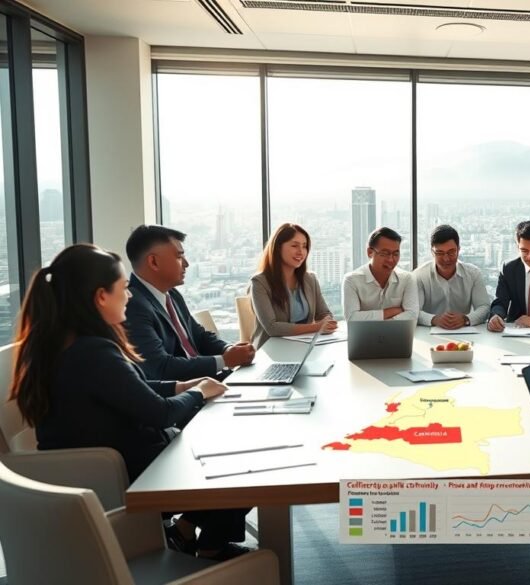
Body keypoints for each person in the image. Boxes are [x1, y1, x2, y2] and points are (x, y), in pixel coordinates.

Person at [8, 244, 251, 561]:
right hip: (129, 471)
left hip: (97, 466)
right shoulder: (94, 352)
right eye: (124, 289)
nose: (131, 296)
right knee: (243, 464)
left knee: (225, 450)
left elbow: (126, 389)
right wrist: (198, 393)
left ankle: (186, 533)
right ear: (100, 297)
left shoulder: (61, 345)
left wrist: (182, 385)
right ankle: (209, 548)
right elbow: (158, 413)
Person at [124, 225, 255, 381]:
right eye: (179, 257)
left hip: (207, 381)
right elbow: (160, 367)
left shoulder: (171, 293)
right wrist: (225, 360)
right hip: (185, 393)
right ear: (153, 262)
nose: (186, 264)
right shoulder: (132, 305)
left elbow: (198, 336)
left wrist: (229, 349)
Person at [249, 223, 338, 349]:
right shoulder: (260, 282)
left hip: (304, 347)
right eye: (294, 245)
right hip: (271, 351)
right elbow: (272, 328)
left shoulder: (310, 279)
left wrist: (327, 321)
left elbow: (323, 313)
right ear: (278, 248)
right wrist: (317, 327)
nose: (301, 252)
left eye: (304, 246)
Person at [414, 224, 490, 329]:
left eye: (451, 252)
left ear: (458, 250)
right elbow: (413, 311)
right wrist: (434, 319)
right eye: (440, 253)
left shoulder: (473, 274)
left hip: (464, 332)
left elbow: (484, 307)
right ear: (432, 252)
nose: (446, 259)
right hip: (429, 332)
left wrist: (466, 319)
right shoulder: (419, 275)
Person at [343, 227, 418, 321]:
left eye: (395, 254)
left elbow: (412, 314)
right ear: (370, 252)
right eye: (385, 253)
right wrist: (390, 312)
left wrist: (382, 323)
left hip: (397, 334)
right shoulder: (352, 280)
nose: (391, 260)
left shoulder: (407, 278)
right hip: (364, 335)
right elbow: (352, 318)